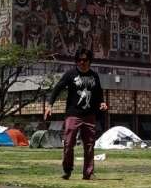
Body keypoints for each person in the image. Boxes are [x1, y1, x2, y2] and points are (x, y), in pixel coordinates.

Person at [44, 48, 108, 180]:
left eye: (85, 60)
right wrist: (50, 105)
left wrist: (102, 103)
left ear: (89, 61)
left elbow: (98, 93)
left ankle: (88, 173)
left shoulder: (94, 76)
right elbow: (57, 88)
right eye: (79, 60)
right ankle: (67, 170)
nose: (82, 62)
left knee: (89, 145)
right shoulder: (70, 74)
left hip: (89, 115)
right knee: (68, 143)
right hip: (73, 114)